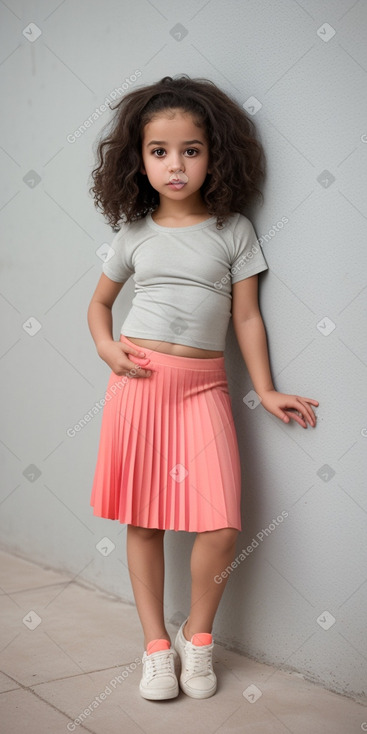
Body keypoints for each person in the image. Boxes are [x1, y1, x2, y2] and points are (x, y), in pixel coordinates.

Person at [87, 75, 319, 701]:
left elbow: (246, 316)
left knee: (218, 523)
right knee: (144, 522)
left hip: (202, 391)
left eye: (190, 149)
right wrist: (109, 349)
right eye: (159, 151)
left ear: (214, 154)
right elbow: (100, 306)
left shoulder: (232, 228)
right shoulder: (134, 233)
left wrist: (266, 390)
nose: (175, 164)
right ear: (138, 160)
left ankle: (199, 637)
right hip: (139, 388)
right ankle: (155, 648)